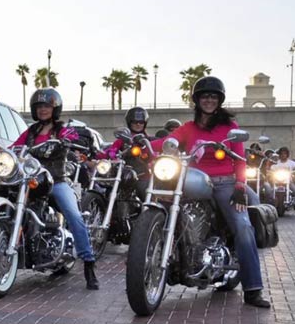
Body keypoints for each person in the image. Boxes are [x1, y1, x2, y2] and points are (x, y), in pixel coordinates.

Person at [151, 76, 270, 308]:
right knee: (166, 200)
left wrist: (239, 186)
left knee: (243, 228)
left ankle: (253, 289)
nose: (209, 100)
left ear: (219, 100)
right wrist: (140, 145)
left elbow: (240, 159)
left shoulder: (230, 128)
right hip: (194, 180)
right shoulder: (189, 127)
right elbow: (169, 142)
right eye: (205, 96)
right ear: (197, 99)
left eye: (213, 96)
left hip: (225, 183)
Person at [12, 88, 99, 290]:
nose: (43, 110)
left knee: (73, 215)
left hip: (56, 181)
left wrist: (72, 140)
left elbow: (74, 136)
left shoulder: (61, 129)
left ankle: (88, 262)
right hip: (31, 180)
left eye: (47, 106)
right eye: (39, 106)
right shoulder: (31, 131)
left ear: (55, 108)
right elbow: (15, 146)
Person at [97, 107, 152, 201]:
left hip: (142, 175)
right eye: (135, 122)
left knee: (144, 191)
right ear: (129, 122)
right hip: (121, 174)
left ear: (145, 123)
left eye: (141, 122)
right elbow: (111, 150)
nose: (138, 124)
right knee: (107, 191)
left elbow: (156, 151)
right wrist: (105, 154)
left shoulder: (149, 140)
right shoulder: (122, 139)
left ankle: (148, 211)